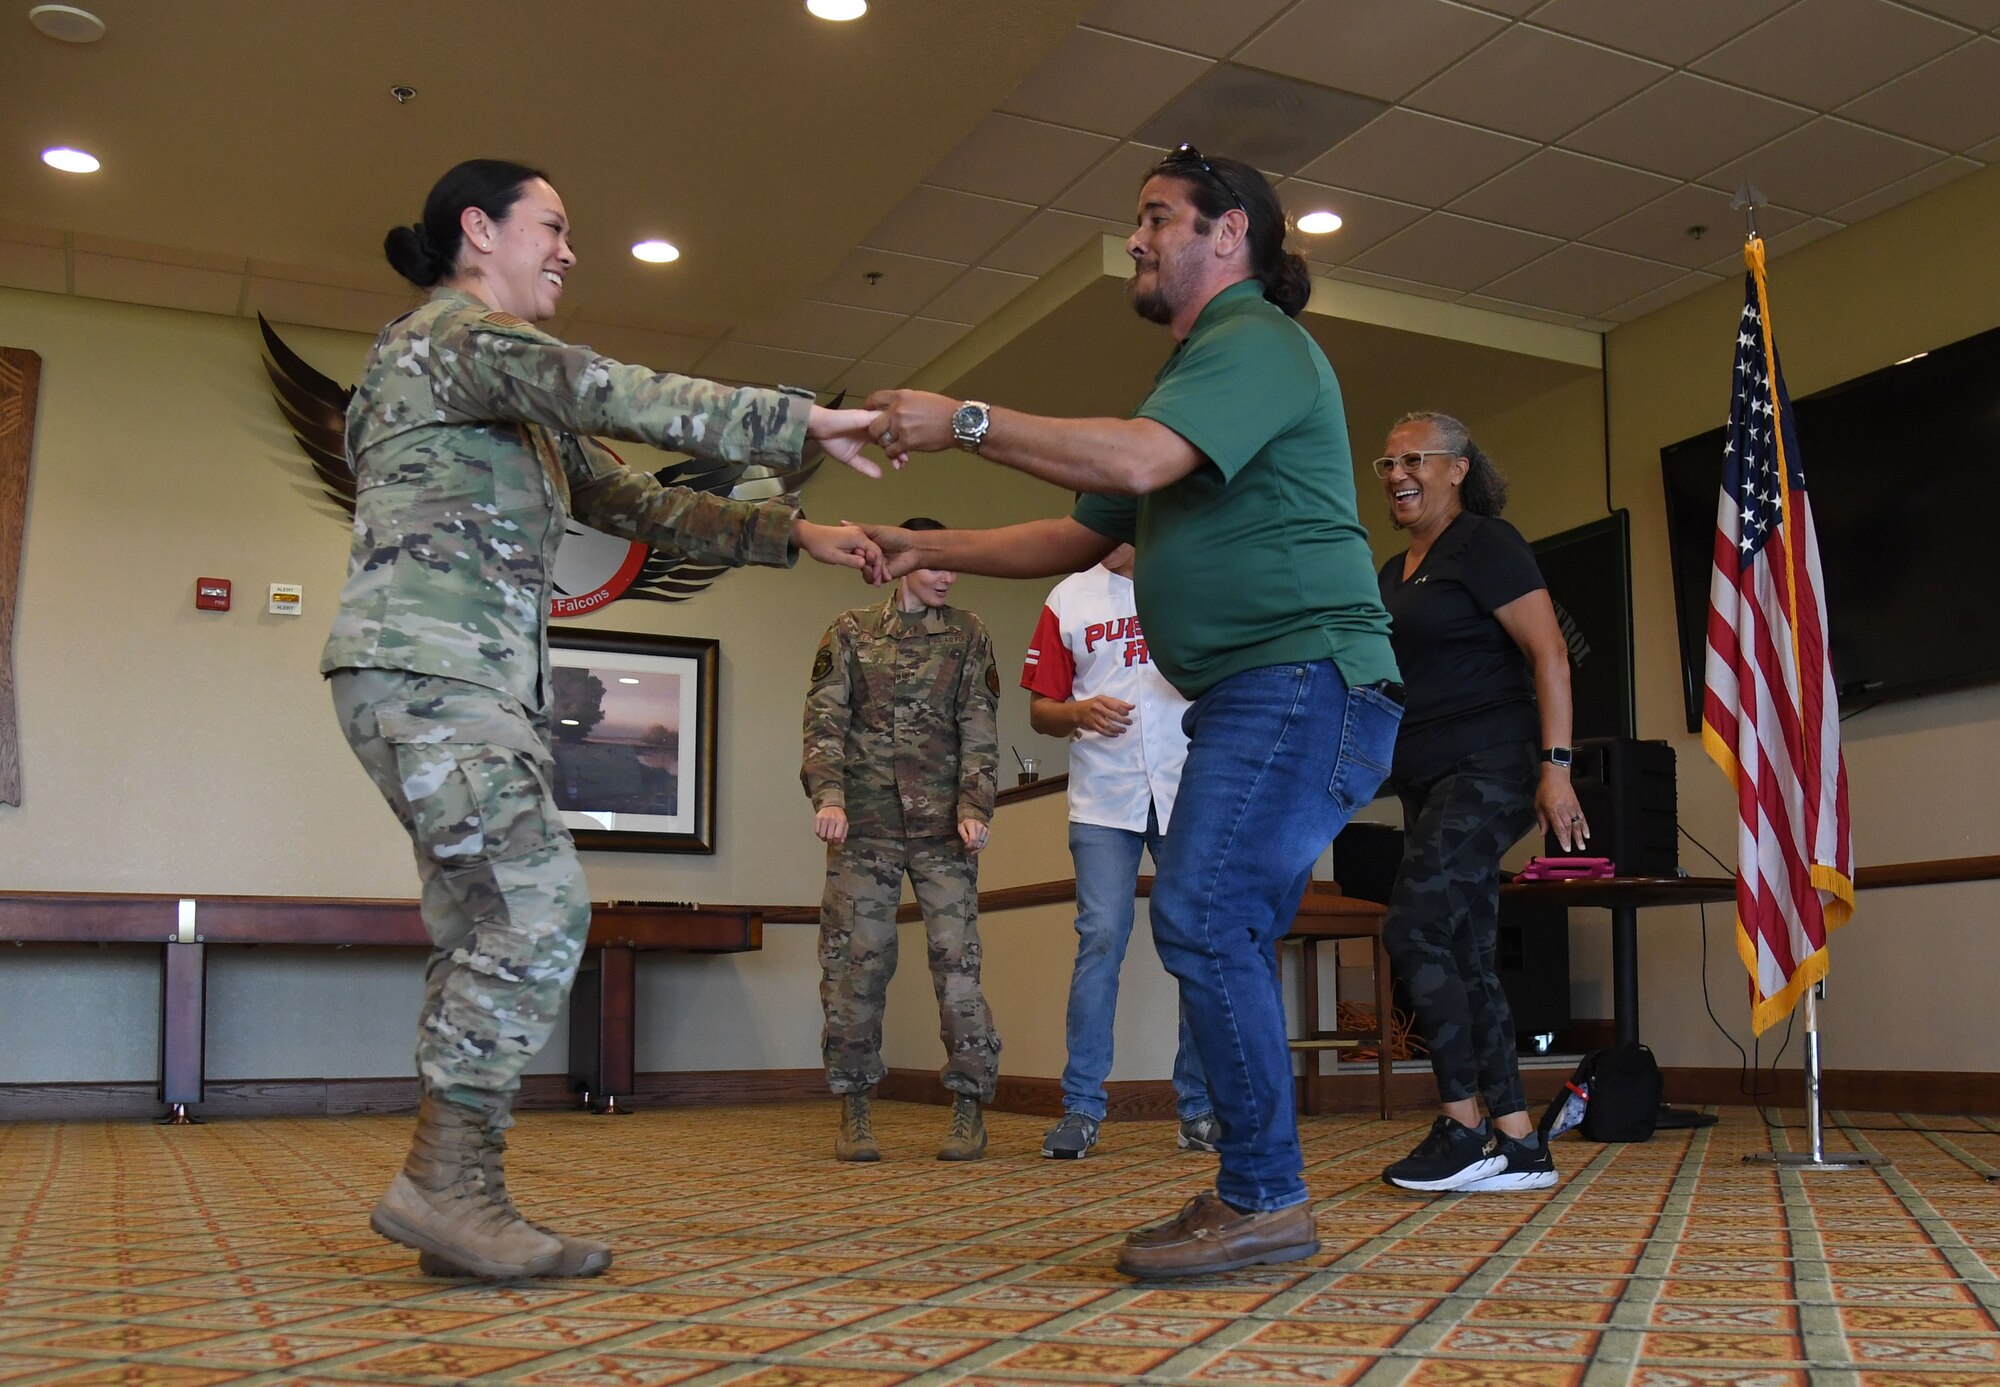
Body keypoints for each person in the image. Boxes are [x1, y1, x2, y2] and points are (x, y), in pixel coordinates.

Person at [323, 159, 885, 1281]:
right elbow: (602, 387)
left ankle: (456, 1194)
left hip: (456, 681)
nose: (570, 251)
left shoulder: (490, 384)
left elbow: (629, 498)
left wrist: (797, 535)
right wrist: (797, 419)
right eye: (555, 227)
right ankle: (446, 1184)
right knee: (536, 915)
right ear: (477, 230)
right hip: (435, 673)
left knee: (488, 923)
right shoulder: (451, 338)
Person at [858, 145, 1404, 1279]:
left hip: (1302, 676)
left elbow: (1140, 456)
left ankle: (1264, 1199)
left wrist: (960, 418)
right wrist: (927, 544)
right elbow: (1074, 534)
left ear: (1229, 234)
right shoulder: (1196, 376)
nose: (1137, 239)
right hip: (1266, 688)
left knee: (1201, 913)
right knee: (1212, 920)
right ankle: (1259, 1191)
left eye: (1157, 218)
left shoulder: (1254, 342)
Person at [1370, 410, 1589, 1195]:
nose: (1397, 474)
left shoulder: (1486, 544)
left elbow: (1549, 651)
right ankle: (1519, 1141)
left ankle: (1464, 1125)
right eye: (1387, 464)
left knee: (1414, 922)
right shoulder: (1394, 572)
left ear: (1457, 468)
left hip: (1493, 765)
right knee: (1463, 948)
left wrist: (1556, 768)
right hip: (1425, 776)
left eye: (1414, 459)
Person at [802, 518, 1002, 1162]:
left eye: (952, 566)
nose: (947, 576)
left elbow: (979, 725)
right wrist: (827, 795)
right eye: (936, 564)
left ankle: (970, 1106)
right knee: (855, 967)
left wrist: (976, 806)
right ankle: (854, 1106)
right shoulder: (850, 631)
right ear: (899, 563)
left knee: (957, 966)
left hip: (945, 831)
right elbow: (825, 719)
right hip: (865, 830)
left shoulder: (969, 634)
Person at [1021, 543, 1217, 1159]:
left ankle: (1200, 1108)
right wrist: (1077, 710)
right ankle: (1081, 1108)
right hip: (1105, 799)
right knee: (1101, 938)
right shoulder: (1068, 599)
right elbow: (1040, 711)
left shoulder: (1191, 579)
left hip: (1188, 789)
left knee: (1196, 942)